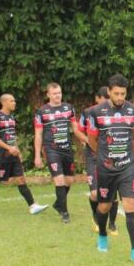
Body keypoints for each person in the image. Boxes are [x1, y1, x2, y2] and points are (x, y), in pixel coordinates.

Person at [87, 75, 134, 263]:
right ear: (109, 92)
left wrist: (126, 154)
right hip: (105, 168)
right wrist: (106, 156)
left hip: (127, 167)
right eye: (116, 93)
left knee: (131, 204)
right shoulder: (96, 112)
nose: (120, 97)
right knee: (104, 206)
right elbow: (92, 140)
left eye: (123, 93)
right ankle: (103, 234)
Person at [0, 94, 49, 217]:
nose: (14, 103)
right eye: (12, 101)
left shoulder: (11, 117)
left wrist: (17, 150)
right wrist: (8, 148)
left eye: (14, 101)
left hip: (13, 154)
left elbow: (12, 136)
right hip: (1, 155)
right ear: (4, 103)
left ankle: (33, 206)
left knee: (21, 179)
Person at [33, 82, 87, 223]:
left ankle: (58, 203)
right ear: (48, 94)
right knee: (59, 180)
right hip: (51, 150)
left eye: (59, 93)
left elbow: (75, 127)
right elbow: (38, 134)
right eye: (55, 93)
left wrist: (83, 138)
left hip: (67, 149)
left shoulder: (68, 108)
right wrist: (37, 155)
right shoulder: (41, 111)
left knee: (69, 180)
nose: (58, 96)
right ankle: (64, 212)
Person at [78, 86, 118, 234]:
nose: (107, 102)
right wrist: (86, 139)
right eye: (104, 99)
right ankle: (96, 218)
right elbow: (78, 129)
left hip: (111, 157)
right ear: (97, 98)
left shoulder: (116, 114)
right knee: (95, 193)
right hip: (93, 158)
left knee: (113, 194)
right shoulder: (88, 113)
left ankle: (112, 224)